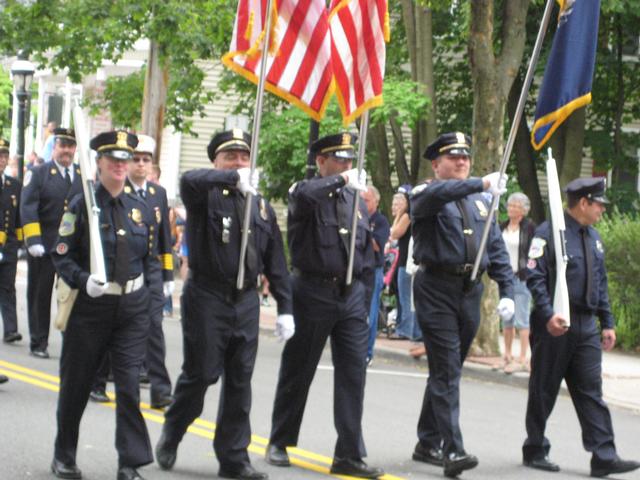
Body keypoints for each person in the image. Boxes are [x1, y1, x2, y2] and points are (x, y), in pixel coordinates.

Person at [155, 129, 292, 480]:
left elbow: (275, 259)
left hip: (245, 300)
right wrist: (232, 178)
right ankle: (173, 430)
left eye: (244, 156)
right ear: (216, 161)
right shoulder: (204, 195)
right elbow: (188, 179)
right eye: (230, 156)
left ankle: (234, 458)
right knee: (201, 374)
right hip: (207, 296)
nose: (238, 162)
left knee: (240, 382)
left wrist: (286, 307)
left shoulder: (259, 205)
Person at [265, 133, 384, 479]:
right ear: (321, 162)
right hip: (312, 290)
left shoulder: (355, 201)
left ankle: (349, 453)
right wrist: (341, 180)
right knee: (298, 369)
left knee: (353, 374)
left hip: (348, 296)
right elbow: (304, 195)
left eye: (349, 160)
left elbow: (363, 250)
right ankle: (279, 441)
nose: (346, 165)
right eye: (339, 160)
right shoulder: (306, 192)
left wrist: (361, 290)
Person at [50, 130, 155, 480]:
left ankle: (130, 463)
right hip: (91, 308)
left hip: (132, 309)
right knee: (77, 384)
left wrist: (151, 298)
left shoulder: (139, 209)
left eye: (125, 160)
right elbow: (61, 255)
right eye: (114, 160)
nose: (121, 166)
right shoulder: (82, 204)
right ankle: (64, 455)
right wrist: (83, 280)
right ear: (99, 163)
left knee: (128, 388)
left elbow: (150, 258)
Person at [410, 132, 514, 477]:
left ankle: (427, 440)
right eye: (452, 157)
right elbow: (441, 193)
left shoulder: (481, 202)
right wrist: (479, 182)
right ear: (436, 164)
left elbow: (495, 247)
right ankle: (452, 449)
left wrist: (509, 290)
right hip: (436, 287)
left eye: (465, 157)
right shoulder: (426, 194)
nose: (461, 162)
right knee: (447, 369)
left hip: (470, 290)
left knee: (446, 367)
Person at [522, 177, 640, 477]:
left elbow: (600, 284)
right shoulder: (550, 233)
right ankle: (535, 448)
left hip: (586, 324)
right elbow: (535, 278)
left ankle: (603, 455)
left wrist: (608, 323)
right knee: (544, 388)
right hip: (555, 323)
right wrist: (548, 315)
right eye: (599, 204)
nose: (602, 209)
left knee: (591, 391)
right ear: (584, 203)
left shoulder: (594, 237)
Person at [20, 127, 83, 358]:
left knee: (71, 296)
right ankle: (38, 342)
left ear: (75, 149)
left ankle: (71, 341)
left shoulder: (82, 175)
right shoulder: (39, 173)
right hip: (44, 247)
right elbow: (28, 206)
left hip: (72, 251)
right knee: (40, 294)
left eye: (70, 146)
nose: (66, 151)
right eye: (62, 145)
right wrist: (33, 240)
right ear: (54, 147)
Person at [126, 134, 174, 409]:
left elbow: (164, 238)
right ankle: (99, 380)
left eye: (146, 160)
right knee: (116, 330)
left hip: (153, 272)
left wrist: (168, 276)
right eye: (136, 159)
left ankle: (160, 389)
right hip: (126, 269)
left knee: (154, 329)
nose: (141, 165)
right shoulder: (120, 188)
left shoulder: (158, 193)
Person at [498, 192, 536, 374]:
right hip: (505, 277)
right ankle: (507, 354)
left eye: (516, 206)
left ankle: (522, 357)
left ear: (523, 210)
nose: (511, 208)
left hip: (521, 277)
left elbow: (533, 253)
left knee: (522, 318)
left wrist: (530, 271)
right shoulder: (502, 227)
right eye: (510, 205)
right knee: (507, 317)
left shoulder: (529, 228)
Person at [361, 185, 390, 366]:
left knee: (370, 313)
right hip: (358, 269)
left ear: (376, 202)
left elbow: (377, 245)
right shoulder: (356, 216)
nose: (363, 204)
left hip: (373, 270)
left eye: (366, 200)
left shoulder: (380, 221)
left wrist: (363, 230)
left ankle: (367, 352)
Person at [389, 185, 421, 341]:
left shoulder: (407, 215)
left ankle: (406, 330)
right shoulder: (407, 215)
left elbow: (394, 233)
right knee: (405, 296)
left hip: (406, 262)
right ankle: (409, 329)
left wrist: (400, 214)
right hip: (403, 260)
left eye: (400, 201)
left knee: (406, 298)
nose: (397, 205)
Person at [0, 139, 23, 344]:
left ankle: (10, 329)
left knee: (7, 287)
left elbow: (18, 218)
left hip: (8, 246)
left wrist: (20, 243)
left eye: (5, 156)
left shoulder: (13, 185)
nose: (2, 160)